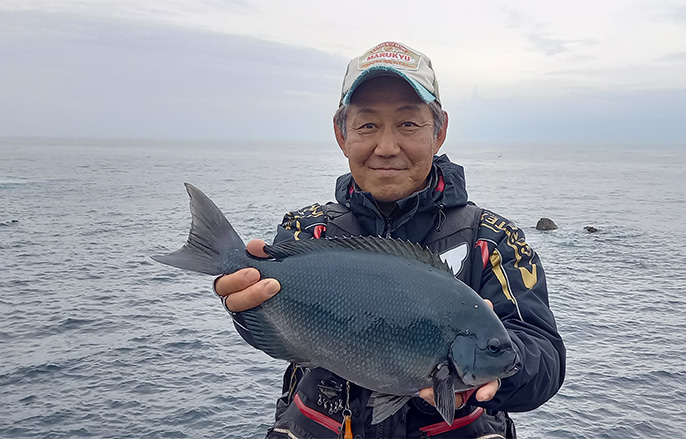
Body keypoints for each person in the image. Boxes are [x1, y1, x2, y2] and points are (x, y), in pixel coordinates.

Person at [214, 41, 565, 438]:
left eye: (409, 124)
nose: (386, 147)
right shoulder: (306, 231)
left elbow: (545, 358)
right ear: (341, 133)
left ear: (440, 130)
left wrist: (503, 366)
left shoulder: (493, 241)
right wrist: (245, 307)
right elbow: (286, 337)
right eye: (367, 125)